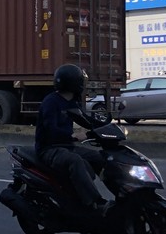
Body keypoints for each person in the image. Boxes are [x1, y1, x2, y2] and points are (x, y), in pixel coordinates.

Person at [35, 64, 112, 216]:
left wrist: (105, 126)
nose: (83, 84)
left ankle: (120, 193)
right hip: (49, 149)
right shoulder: (51, 102)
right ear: (72, 82)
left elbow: (84, 119)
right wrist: (73, 136)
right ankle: (93, 203)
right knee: (76, 161)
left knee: (99, 157)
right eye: (81, 80)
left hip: (66, 146)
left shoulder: (71, 101)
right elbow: (51, 129)